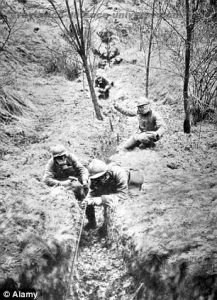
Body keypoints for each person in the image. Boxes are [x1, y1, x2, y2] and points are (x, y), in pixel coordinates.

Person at [83, 159, 129, 231]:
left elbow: (123, 196)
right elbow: (92, 191)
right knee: (93, 201)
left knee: (123, 206)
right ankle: (92, 224)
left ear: (106, 174)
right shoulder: (94, 179)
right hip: (111, 184)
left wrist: (101, 199)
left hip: (131, 183)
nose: (96, 180)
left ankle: (108, 227)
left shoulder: (119, 173)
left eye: (99, 178)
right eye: (95, 178)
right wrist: (87, 200)